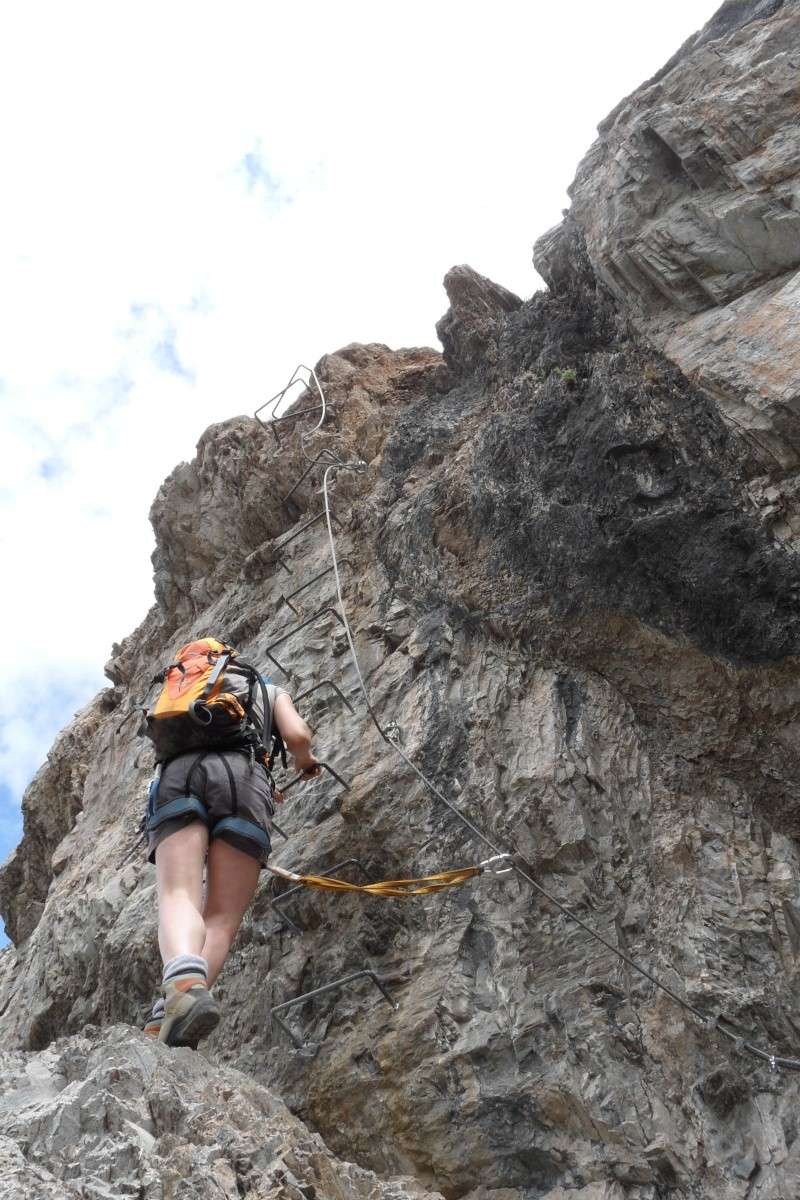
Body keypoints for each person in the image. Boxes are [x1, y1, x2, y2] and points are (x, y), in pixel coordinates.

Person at [142, 682, 319, 1046]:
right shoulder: (266, 689)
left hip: (179, 774)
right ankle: (176, 1009)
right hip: (246, 780)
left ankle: (178, 992)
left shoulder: (184, 690)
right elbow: (298, 736)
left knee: (179, 893)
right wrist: (305, 762)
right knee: (222, 916)